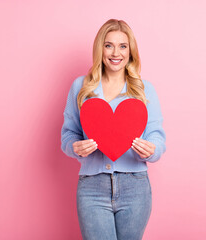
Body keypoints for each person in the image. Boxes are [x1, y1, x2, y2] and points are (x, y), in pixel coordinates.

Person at [61, 19, 166, 240]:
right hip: (92, 188)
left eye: (122, 46)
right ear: (100, 49)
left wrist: (152, 149)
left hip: (135, 187)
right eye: (108, 45)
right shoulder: (81, 87)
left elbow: (157, 135)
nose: (115, 52)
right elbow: (68, 134)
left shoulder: (145, 89)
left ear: (130, 51)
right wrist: (75, 147)